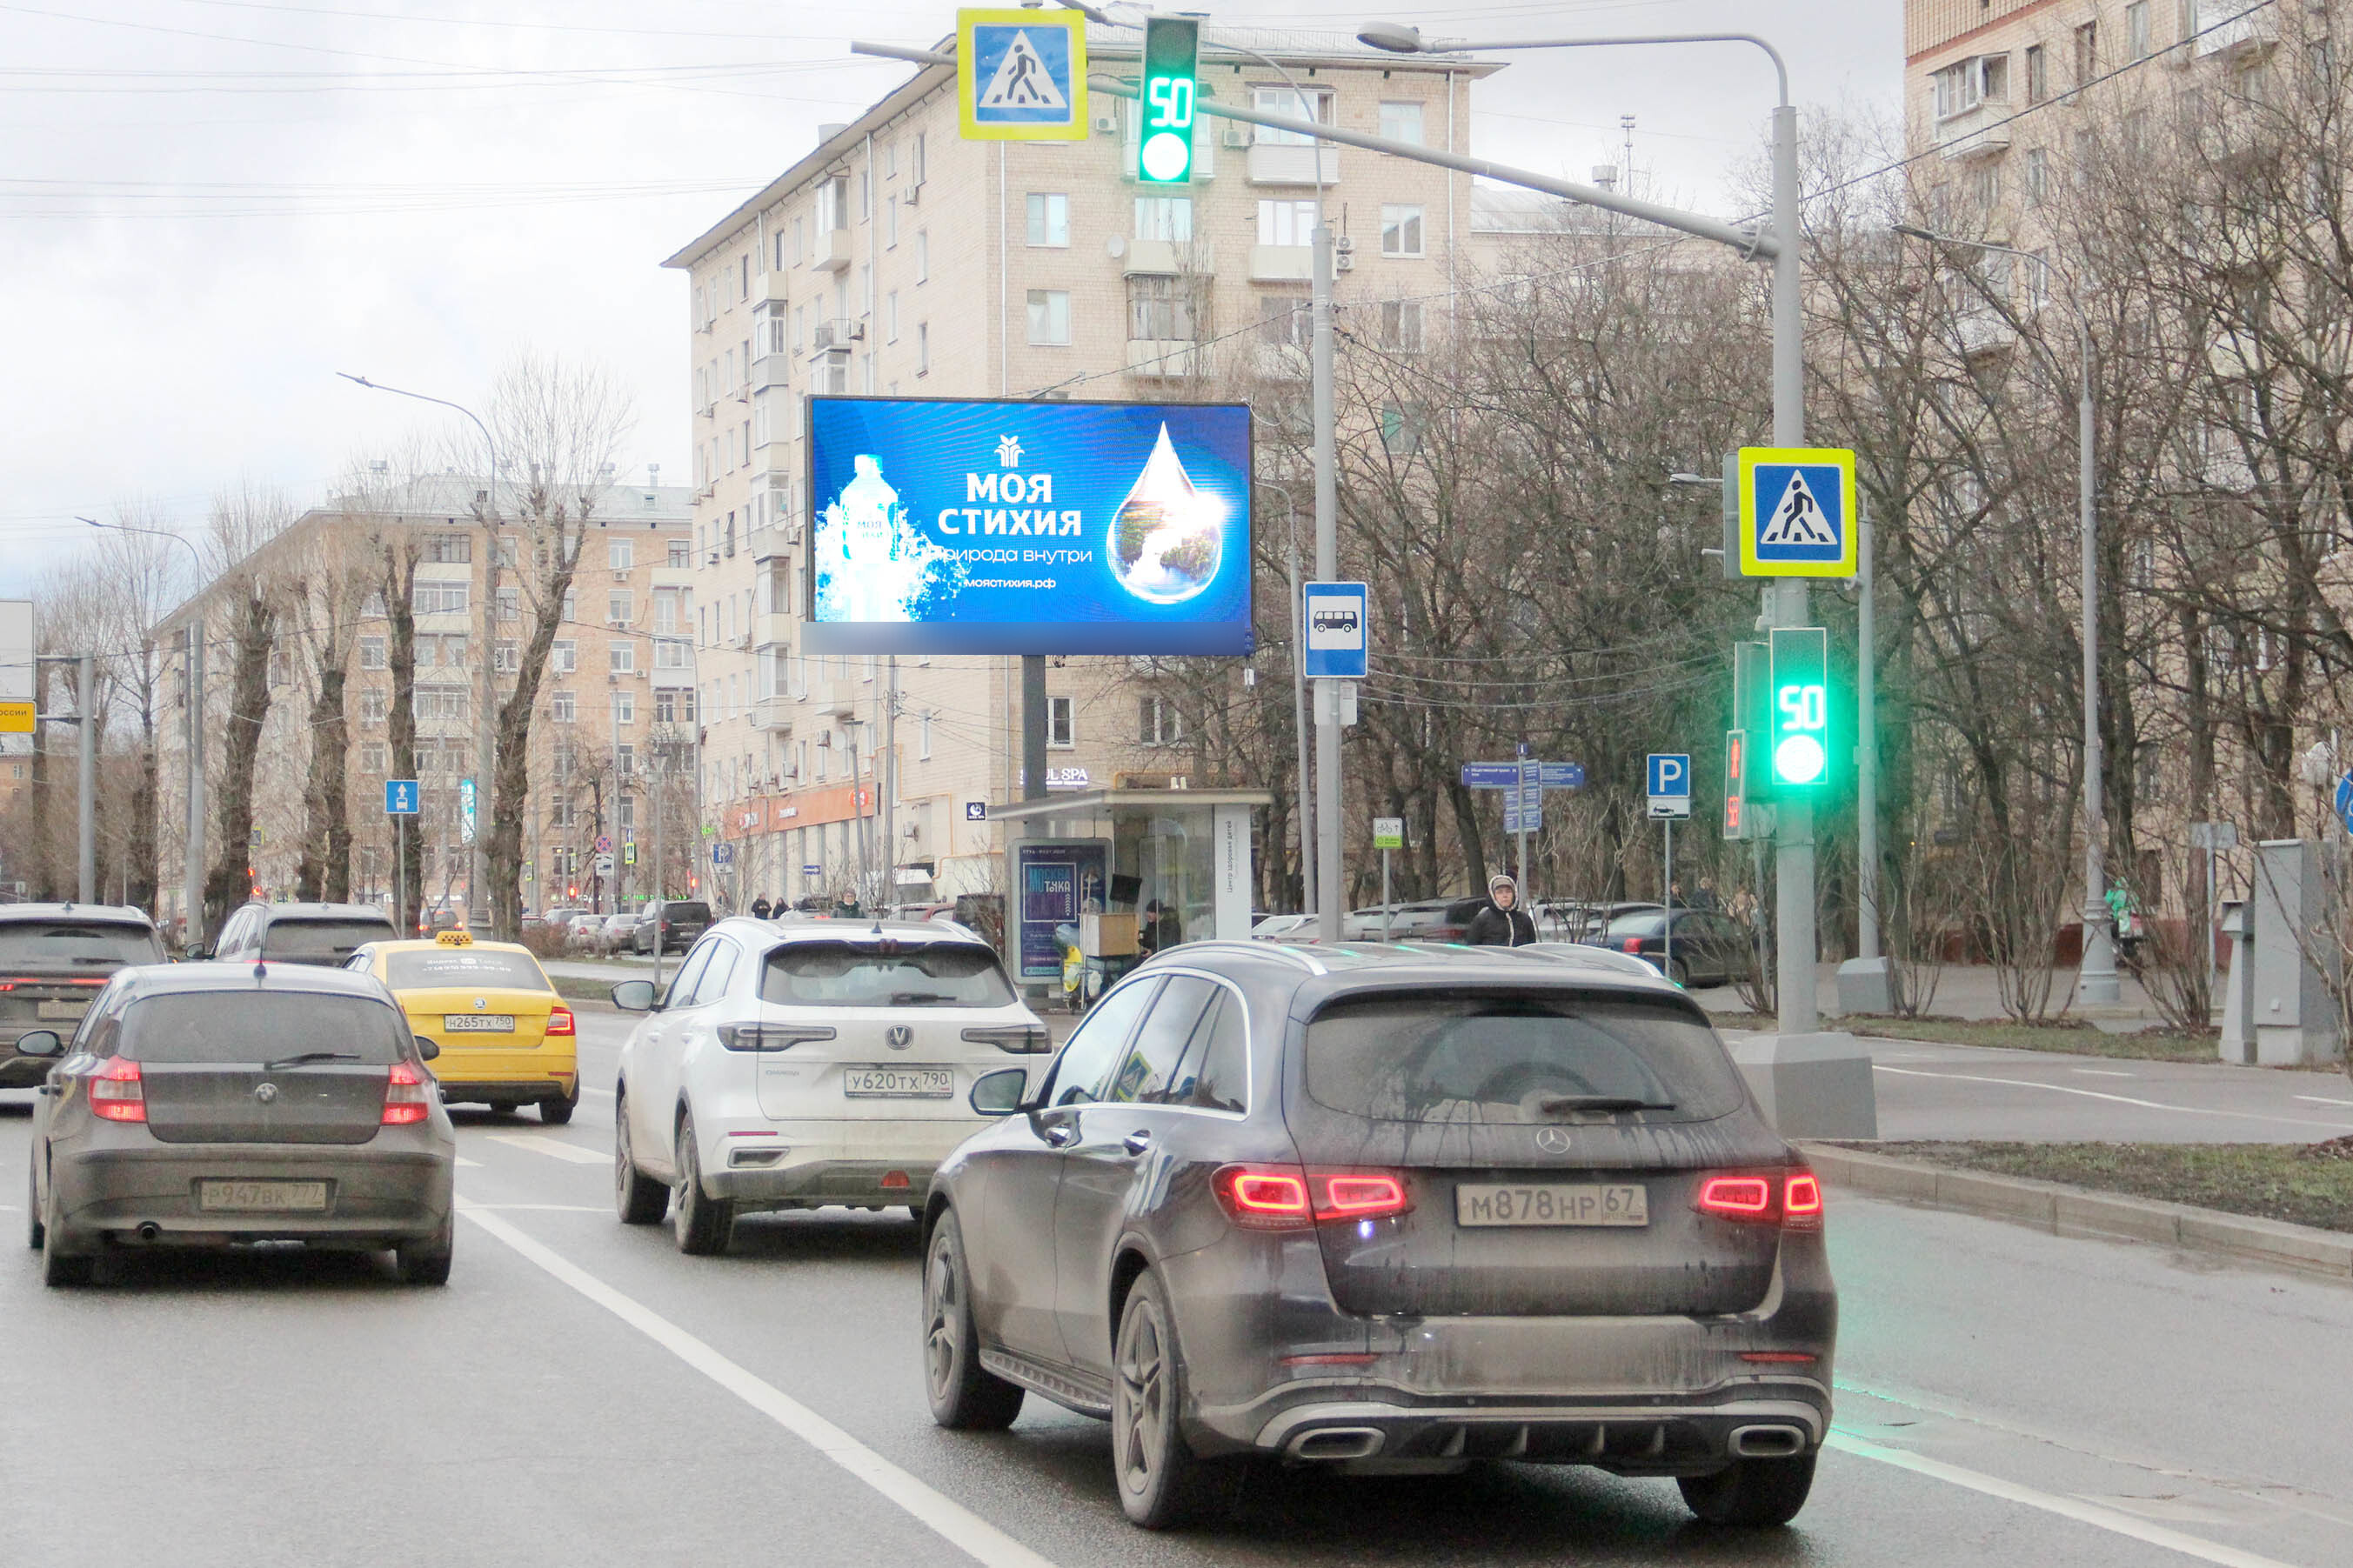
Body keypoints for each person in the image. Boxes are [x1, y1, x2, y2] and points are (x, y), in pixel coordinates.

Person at [1467, 873, 1537, 947]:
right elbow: (1473, 948)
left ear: (1514, 894)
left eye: (1508, 891)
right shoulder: (1481, 920)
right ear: (1493, 895)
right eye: (1500, 892)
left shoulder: (1524, 920)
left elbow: (1531, 947)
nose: (1505, 896)